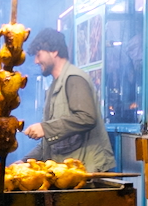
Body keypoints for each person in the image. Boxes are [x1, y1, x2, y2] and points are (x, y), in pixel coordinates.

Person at [23, 28, 116, 172]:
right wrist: (24, 162)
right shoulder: (53, 87)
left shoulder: (74, 78)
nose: (36, 61)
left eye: (38, 54)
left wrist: (45, 128)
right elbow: (49, 141)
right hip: (67, 171)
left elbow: (87, 117)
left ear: (54, 51)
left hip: (88, 172)